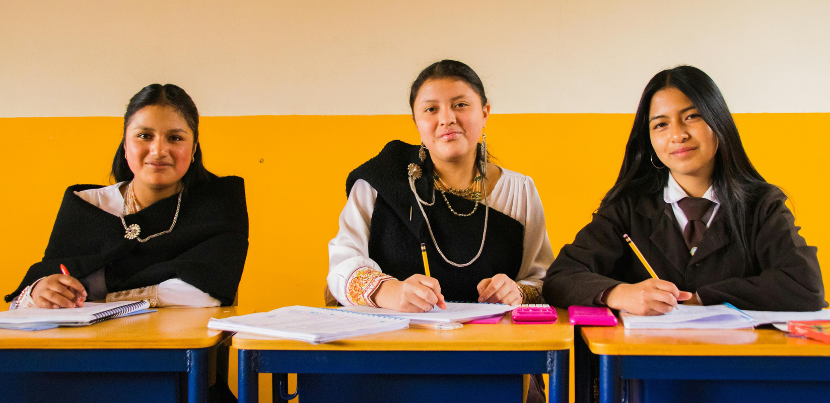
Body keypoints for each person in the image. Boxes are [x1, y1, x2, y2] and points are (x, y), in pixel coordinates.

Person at [543, 66, 826, 315]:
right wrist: (618, 294)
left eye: (692, 117)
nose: (678, 134)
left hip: (738, 367)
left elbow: (805, 285)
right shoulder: (627, 206)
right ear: (650, 140)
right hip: (645, 367)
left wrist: (702, 298)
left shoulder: (763, 204)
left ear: (719, 123)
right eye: (661, 124)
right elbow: (561, 277)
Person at [327, 59, 553, 312]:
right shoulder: (381, 182)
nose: (447, 119)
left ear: (485, 112)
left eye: (460, 105)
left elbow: (542, 279)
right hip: (390, 341)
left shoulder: (518, 191)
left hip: (490, 343)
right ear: (415, 121)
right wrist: (389, 291)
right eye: (431, 109)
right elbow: (340, 267)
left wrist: (517, 292)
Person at [5, 84, 248, 310]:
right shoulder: (88, 205)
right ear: (125, 144)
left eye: (175, 138)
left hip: (177, 346)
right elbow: (21, 303)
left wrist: (103, 300)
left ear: (194, 148)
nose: (159, 150)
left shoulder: (219, 206)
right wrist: (38, 292)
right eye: (144, 136)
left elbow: (207, 293)